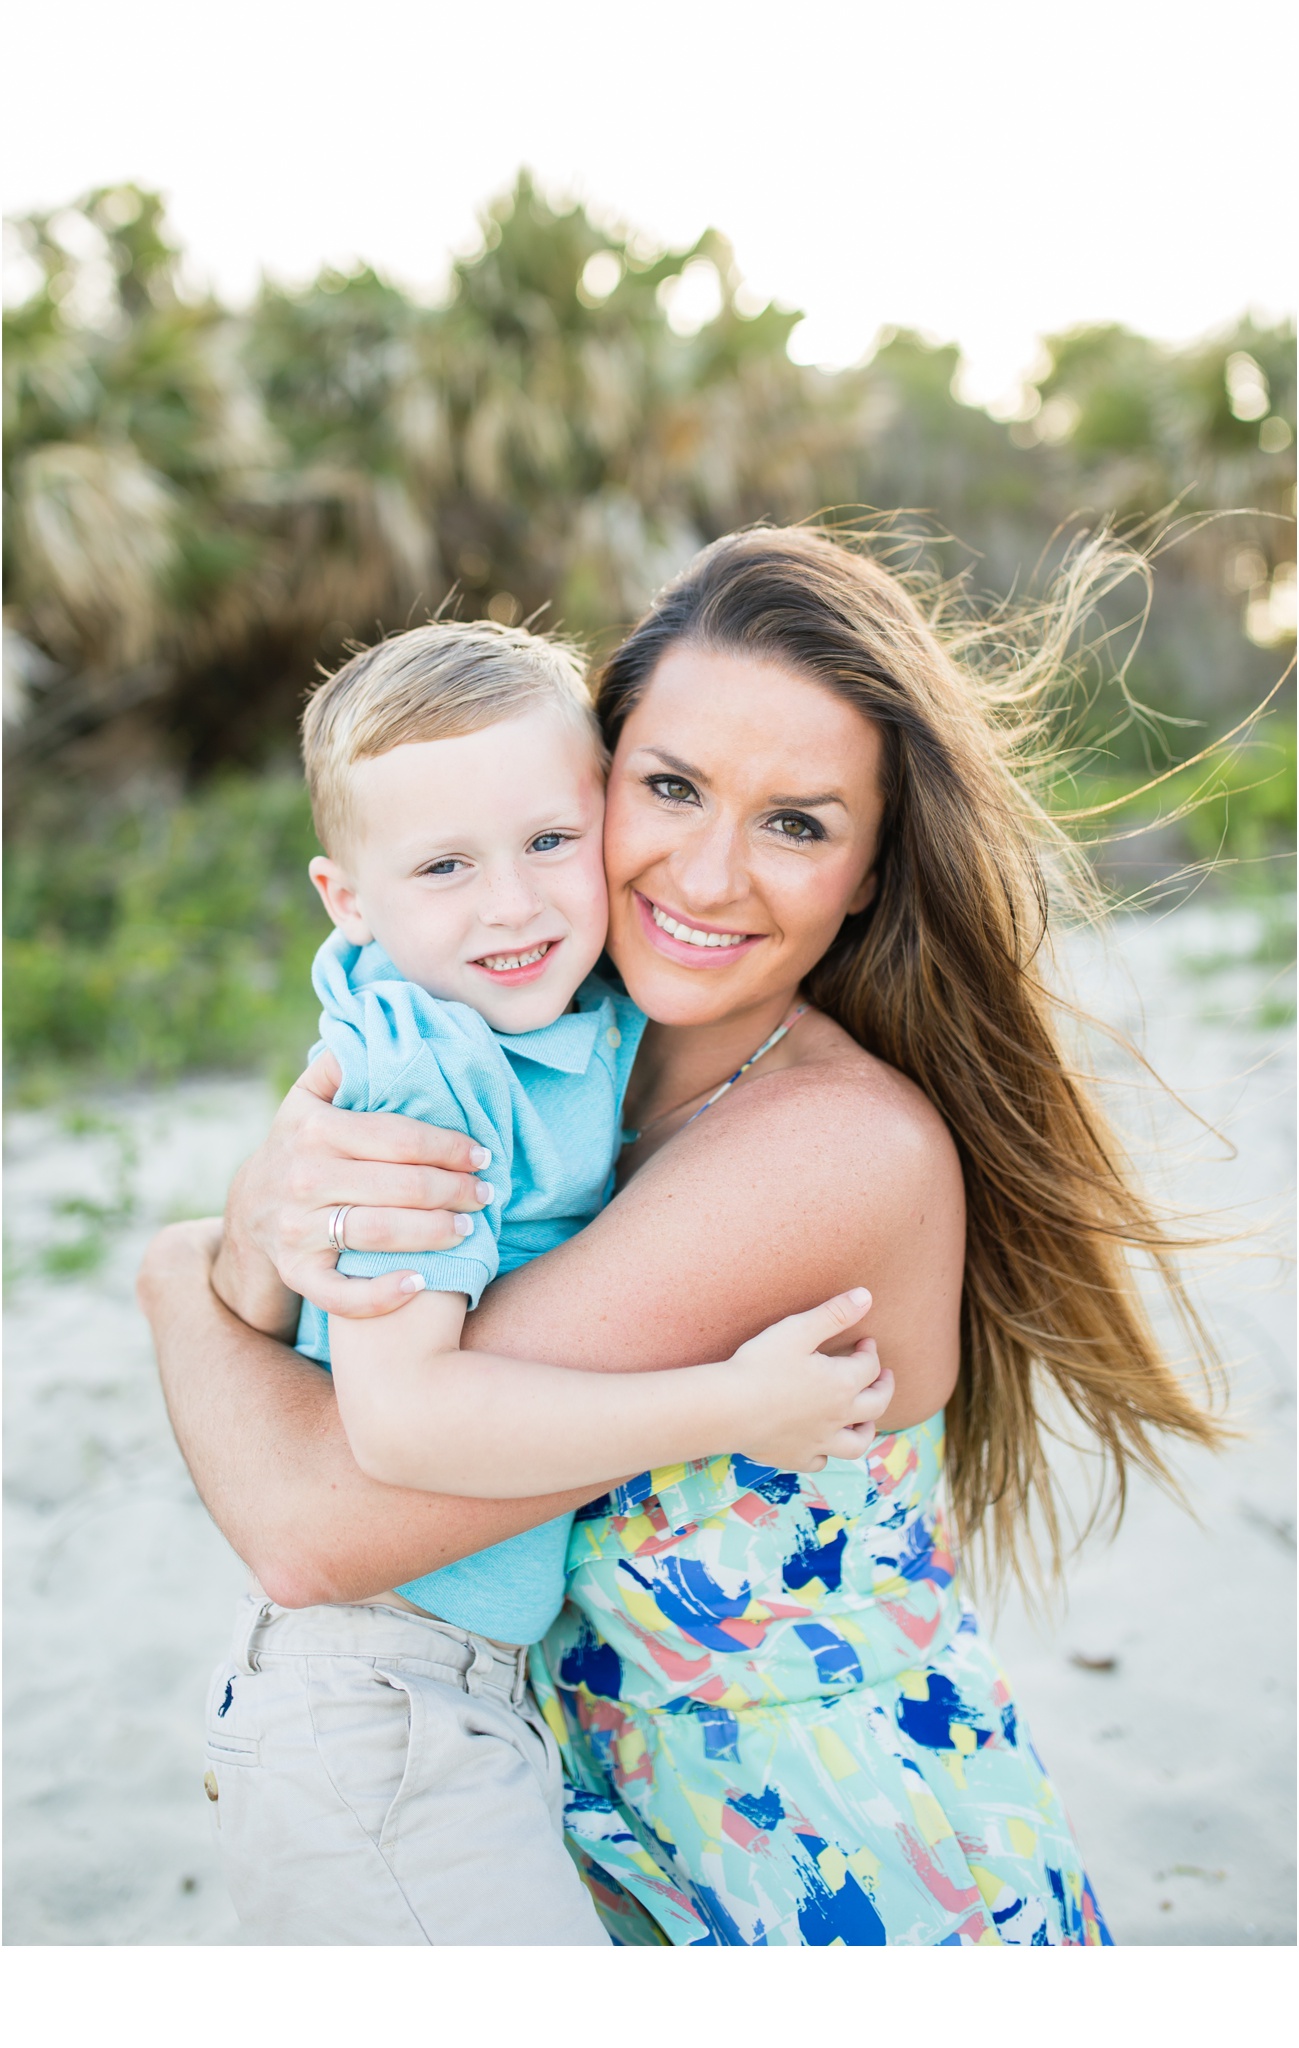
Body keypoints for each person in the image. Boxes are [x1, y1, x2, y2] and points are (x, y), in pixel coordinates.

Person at [140, 527, 1224, 1946]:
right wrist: (251, 1230)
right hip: (604, 1837)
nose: (708, 877)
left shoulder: (828, 1147)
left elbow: (316, 1523)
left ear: (870, 871)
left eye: (797, 823)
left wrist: (180, 1282)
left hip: (834, 1878)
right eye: (669, 788)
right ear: (593, 781)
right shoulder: (562, 1052)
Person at [200, 616, 888, 1946]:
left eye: (550, 843)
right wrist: (737, 1405)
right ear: (350, 901)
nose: (512, 904)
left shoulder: (575, 1012)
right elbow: (404, 1425)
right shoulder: (426, 1076)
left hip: (468, 1690)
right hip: (378, 1703)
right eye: (446, 864)